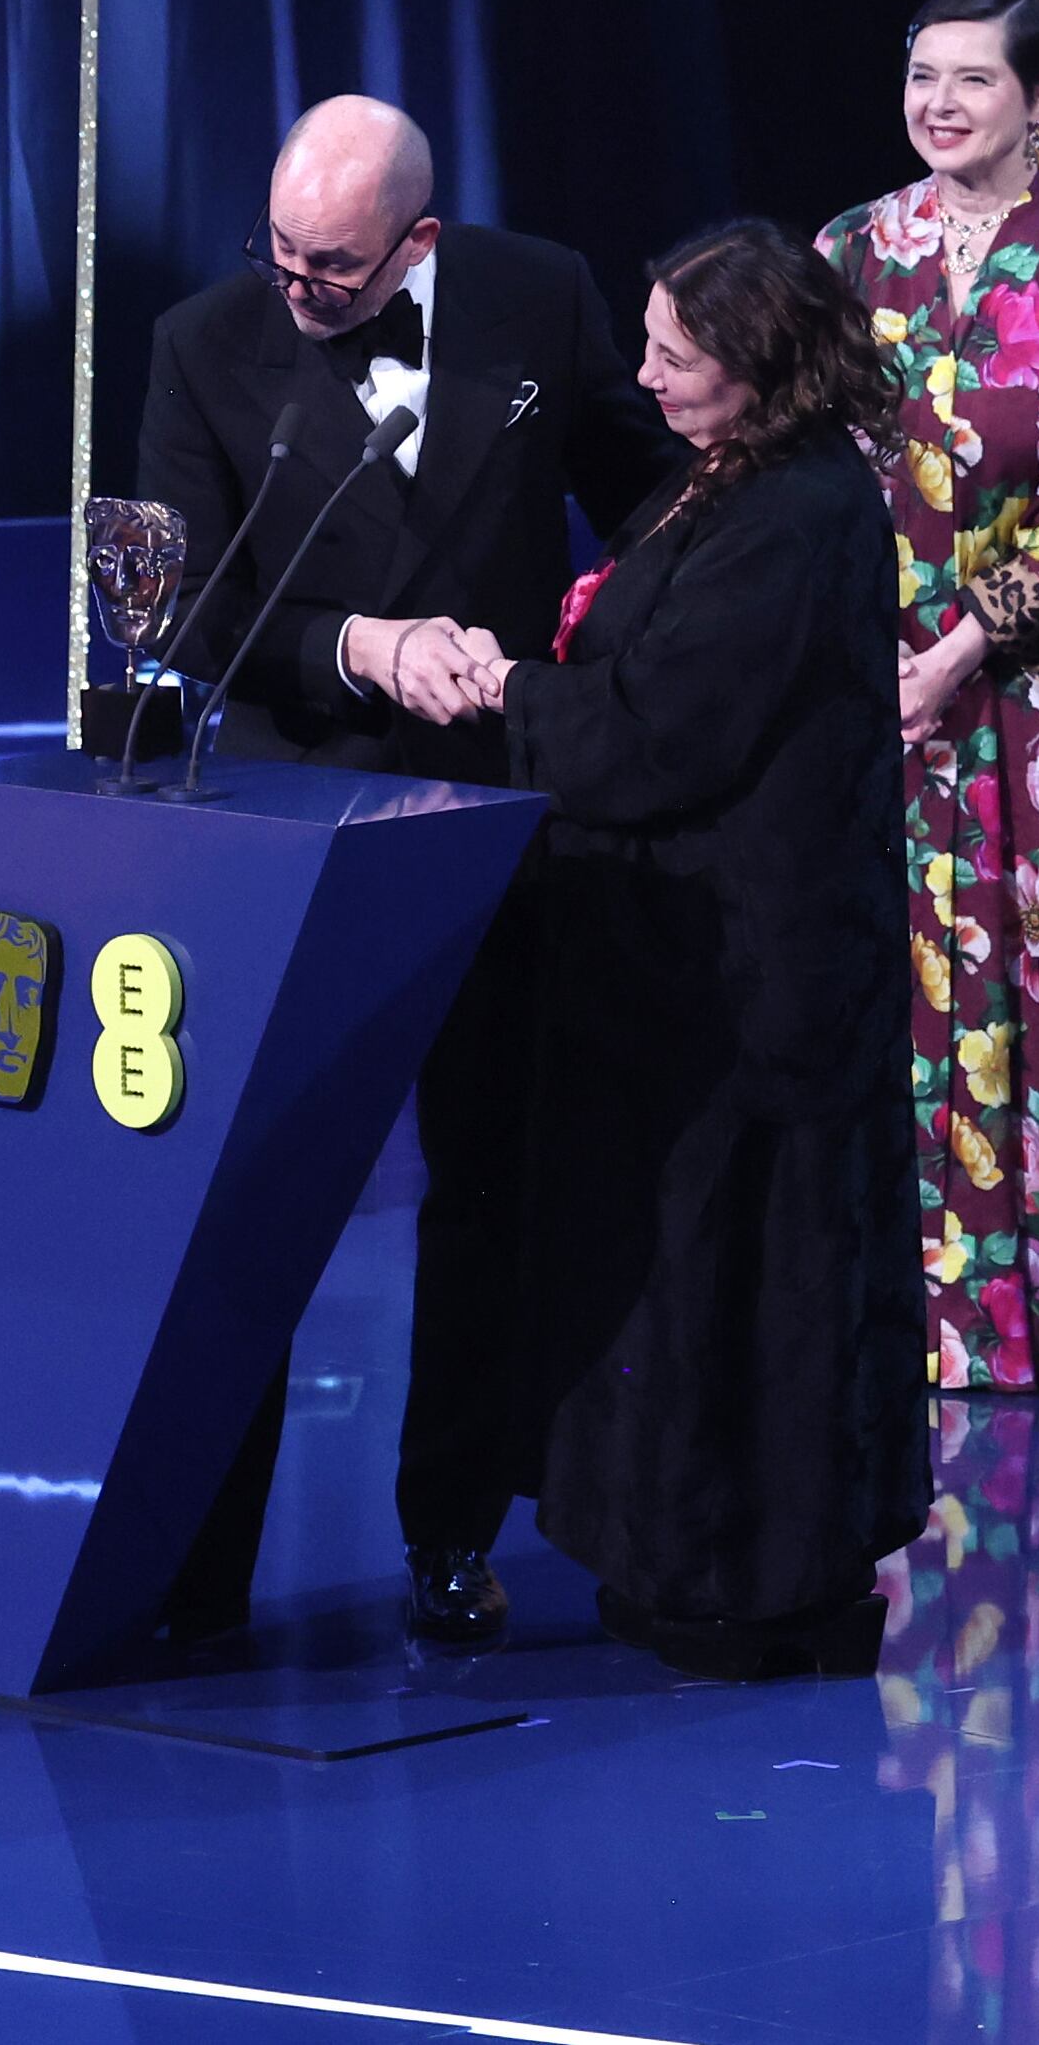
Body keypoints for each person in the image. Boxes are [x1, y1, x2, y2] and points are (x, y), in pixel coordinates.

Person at [131, 95, 667, 1650]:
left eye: (337, 270)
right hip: (302, 834)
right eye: (281, 254)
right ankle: (199, 1564)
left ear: (419, 242)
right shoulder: (204, 342)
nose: (298, 291)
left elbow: (642, 498)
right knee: (256, 1202)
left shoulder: (539, 292)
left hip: (500, 820)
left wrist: (595, 644)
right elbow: (184, 606)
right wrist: (357, 647)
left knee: (492, 1189)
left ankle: (452, 1530)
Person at [389, 221, 922, 1679]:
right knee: (694, 1273)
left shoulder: (802, 514)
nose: (639, 373)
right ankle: (689, 1557)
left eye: (672, 354)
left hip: (765, 979)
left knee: (753, 1279)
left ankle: (748, 1575)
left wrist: (501, 686)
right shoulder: (735, 483)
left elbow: (660, 731)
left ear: (754, 365)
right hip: (701, 971)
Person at [818, 0, 1039, 1394]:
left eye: (971, 79)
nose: (940, 104)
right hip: (862, 680)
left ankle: (1031, 1318)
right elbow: (800, 458)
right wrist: (872, 651)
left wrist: (958, 651)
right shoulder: (848, 252)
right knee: (879, 993)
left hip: (1024, 708)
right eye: (922, 79)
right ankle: (888, 1311)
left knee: (1034, 994)